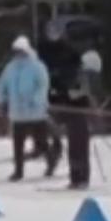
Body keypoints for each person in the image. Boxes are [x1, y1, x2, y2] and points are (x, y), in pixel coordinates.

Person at [0, 36, 51, 181]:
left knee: (41, 142)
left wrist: (37, 101)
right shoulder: (10, 68)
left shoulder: (37, 66)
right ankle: (18, 170)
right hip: (17, 113)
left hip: (35, 113)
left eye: (20, 51)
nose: (18, 54)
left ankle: (51, 160)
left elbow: (43, 85)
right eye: (16, 51)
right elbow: (2, 84)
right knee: (18, 144)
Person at [35, 19, 80, 176]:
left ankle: (56, 151)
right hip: (43, 92)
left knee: (58, 125)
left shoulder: (70, 50)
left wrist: (64, 80)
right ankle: (48, 151)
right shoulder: (41, 49)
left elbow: (75, 70)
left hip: (63, 93)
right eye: (50, 31)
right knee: (41, 126)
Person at [62, 49, 103, 190]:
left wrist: (94, 113)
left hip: (81, 118)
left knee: (80, 148)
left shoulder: (85, 77)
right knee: (75, 148)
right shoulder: (78, 75)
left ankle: (82, 178)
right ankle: (76, 178)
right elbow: (73, 94)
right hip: (74, 116)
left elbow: (90, 98)